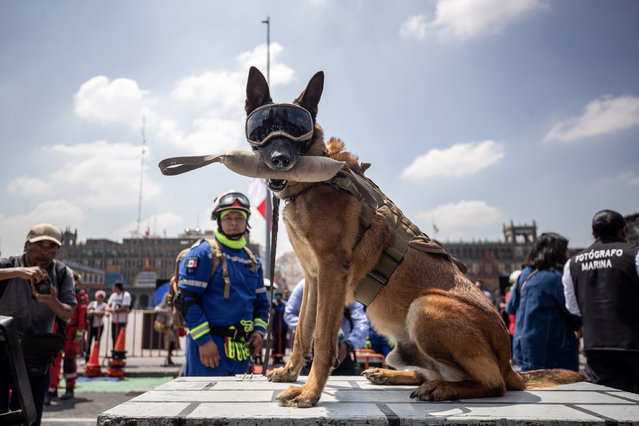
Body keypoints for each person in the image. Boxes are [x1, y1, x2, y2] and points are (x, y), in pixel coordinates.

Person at [177, 190, 269, 376]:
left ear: (247, 222)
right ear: (218, 221)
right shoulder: (203, 253)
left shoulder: (253, 261)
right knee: (203, 403)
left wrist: (259, 332)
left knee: (237, 404)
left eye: (239, 217)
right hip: (210, 347)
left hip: (241, 350)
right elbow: (186, 300)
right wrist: (204, 341)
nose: (234, 222)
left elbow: (261, 304)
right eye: (228, 217)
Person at [0, 224, 76, 426]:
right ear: (26, 245)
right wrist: (18, 272)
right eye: (39, 245)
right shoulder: (9, 265)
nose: (45, 251)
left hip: (35, 357)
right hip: (2, 352)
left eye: (52, 247)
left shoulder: (61, 272)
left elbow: (68, 313)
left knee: (30, 420)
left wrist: (51, 301)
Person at [562, 209, 639, 393]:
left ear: (593, 233)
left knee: (610, 404)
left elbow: (573, 307)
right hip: (634, 343)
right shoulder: (634, 254)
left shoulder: (572, 263)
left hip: (596, 346)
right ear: (624, 231)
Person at [506, 232, 581, 372]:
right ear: (557, 252)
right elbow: (573, 313)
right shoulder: (557, 277)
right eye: (565, 250)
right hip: (553, 350)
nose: (567, 253)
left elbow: (510, 307)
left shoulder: (525, 275)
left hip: (523, 348)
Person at [284, 279, 370, 375]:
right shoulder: (304, 286)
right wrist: (312, 332)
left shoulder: (346, 288)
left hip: (341, 355)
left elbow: (361, 323)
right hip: (310, 354)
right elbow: (289, 314)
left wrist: (348, 345)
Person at [46, 286, 88, 404]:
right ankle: (52, 389)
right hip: (58, 328)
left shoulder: (80, 294)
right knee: (54, 360)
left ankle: (69, 388)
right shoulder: (55, 290)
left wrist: (79, 334)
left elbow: (82, 315)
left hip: (72, 331)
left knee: (69, 360)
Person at [154, 292, 179, 366]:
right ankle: (167, 359)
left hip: (171, 326)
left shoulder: (173, 306)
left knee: (172, 342)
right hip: (166, 327)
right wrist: (166, 312)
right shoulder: (164, 305)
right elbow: (156, 309)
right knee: (169, 342)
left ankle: (168, 358)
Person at [106, 282, 131, 348]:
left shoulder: (126, 295)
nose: (112, 288)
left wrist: (112, 310)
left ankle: (119, 352)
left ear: (117, 287)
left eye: (113, 287)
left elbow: (125, 308)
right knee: (113, 336)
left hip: (122, 321)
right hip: (114, 320)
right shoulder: (113, 295)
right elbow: (108, 305)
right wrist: (109, 310)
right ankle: (114, 351)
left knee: (120, 337)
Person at [85, 290, 107, 361]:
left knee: (97, 342)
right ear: (96, 297)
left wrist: (94, 312)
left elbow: (101, 315)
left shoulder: (104, 305)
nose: (100, 298)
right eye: (98, 296)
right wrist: (93, 312)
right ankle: (87, 358)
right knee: (88, 342)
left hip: (99, 326)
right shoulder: (92, 303)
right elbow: (87, 312)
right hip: (90, 326)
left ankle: (95, 357)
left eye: (101, 297)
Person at [270, 291, 288, 365]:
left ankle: (281, 357)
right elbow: (272, 313)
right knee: (276, 341)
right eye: (276, 297)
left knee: (283, 342)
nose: (278, 299)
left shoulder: (284, 304)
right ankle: (275, 358)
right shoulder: (274, 304)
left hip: (283, 326)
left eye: (279, 297)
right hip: (276, 326)